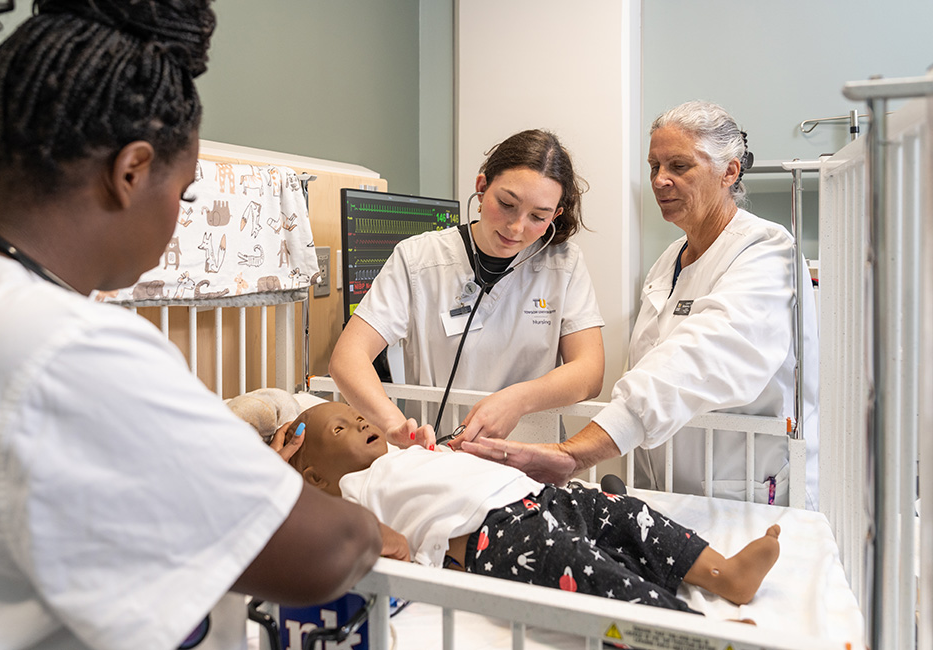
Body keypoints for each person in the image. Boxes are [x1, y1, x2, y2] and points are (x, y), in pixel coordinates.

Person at [0, 3, 387, 649]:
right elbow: (324, 552)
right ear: (130, 172)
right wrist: (372, 527)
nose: (179, 219)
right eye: (183, 195)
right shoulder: (70, 343)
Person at [462, 101, 819, 509]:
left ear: (730, 171)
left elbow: (698, 359)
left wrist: (575, 452)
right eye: (654, 167)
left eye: (679, 167)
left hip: (746, 493)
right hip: (670, 488)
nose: (660, 181)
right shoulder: (669, 261)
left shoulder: (767, 252)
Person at [284, 401, 783, 614]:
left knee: (630, 515)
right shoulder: (350, 494)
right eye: (340, 430)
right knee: (589, 570)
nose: (358, 421)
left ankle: (725, 573)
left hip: (539, 497)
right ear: (314, 477)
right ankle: (678, 627)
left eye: (354, 415)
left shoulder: (404, 453)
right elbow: (380, 543)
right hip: (493, 537)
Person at [329, 129, 605, 448]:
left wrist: (516, 400)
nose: (516, 228)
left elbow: (589, 371)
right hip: (441, 455)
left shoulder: (563, 265)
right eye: (507, 204)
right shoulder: (419, 258)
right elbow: (348, 356)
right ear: (482, 187)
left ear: (555, 215)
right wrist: (393, 425)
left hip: (529, 458)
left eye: (538, 217)